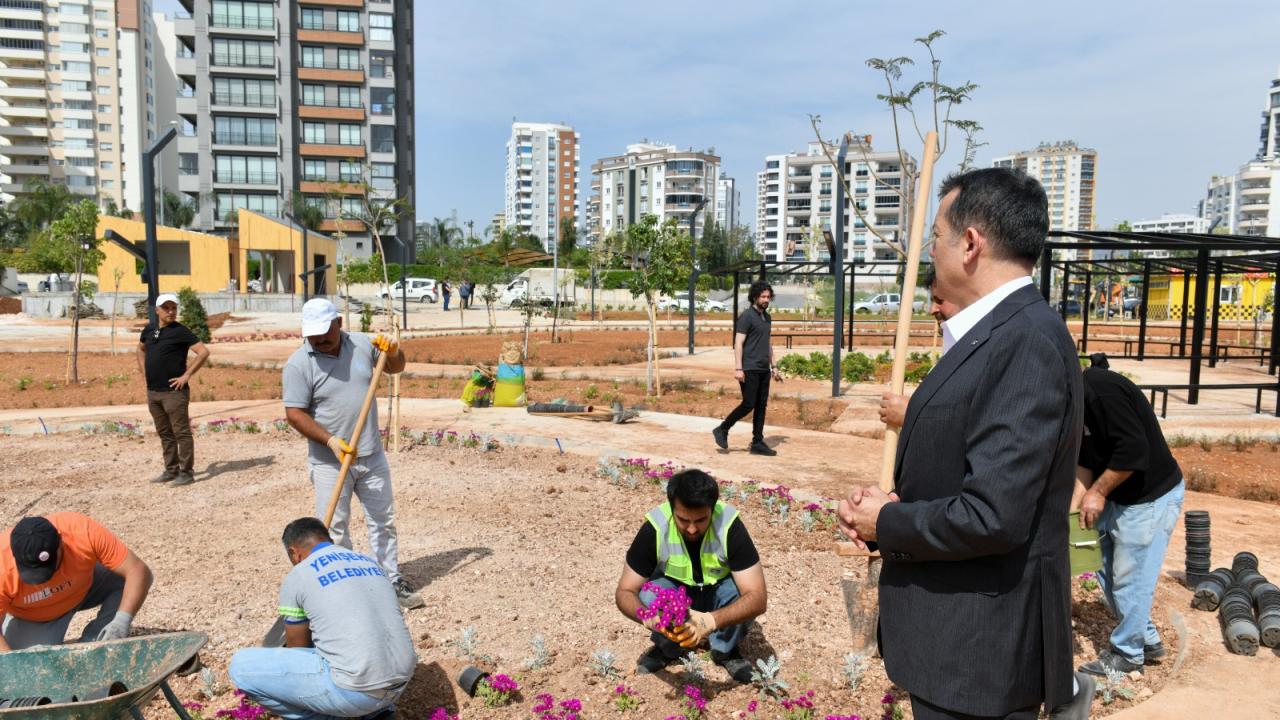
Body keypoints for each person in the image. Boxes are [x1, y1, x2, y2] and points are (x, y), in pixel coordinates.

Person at [837, 168, 1093, 720]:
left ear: (970, 244)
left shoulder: (1024, 342)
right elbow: (964, 474)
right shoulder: (994, 336)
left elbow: (993, 515)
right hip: (957, 648)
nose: (930, 253)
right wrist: (887, 516)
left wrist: (888, 524)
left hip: (978, 656)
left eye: (935, 237)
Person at [282, 298, 423, 609]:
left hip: (371, 455)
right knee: (334, 528)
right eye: (313, 335)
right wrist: (330, 440)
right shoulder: (299, 364)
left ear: (340, 324)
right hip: (329, 462)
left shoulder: (362, 344)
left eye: (325, 332)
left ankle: (390, 578)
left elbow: (395, 368)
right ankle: (348, 585)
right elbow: (294, 413)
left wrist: (394, 351)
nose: (319, 340)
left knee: (383, 520)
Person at [229, 518, 415, 720]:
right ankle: (376, 713)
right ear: (328, 539)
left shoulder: (299, 574)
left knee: (240, 666)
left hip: (356, 691)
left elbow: (297, 647)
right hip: (401, 683)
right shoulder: (370, 562)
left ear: (293, 552)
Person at [1072, 353, 1184, 677]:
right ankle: (1146, 638)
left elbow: (1134, 452)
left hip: (1151, 497)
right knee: (1102, 568)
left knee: (1130, 579)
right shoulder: (1074, 403)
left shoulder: (1101, 390)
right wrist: (1072, 514)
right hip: (1119, 498)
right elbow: (1085, 462)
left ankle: (1127, 654)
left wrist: (1098, 492)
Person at [614, 469, 766, 684]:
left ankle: (724, 650)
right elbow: (625, 591)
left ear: (712, 510)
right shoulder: (656, 527)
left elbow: (758, 597)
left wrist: (709, 621)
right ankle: (669, 647)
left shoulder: (729, 525)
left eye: (701, 520)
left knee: (741, 594)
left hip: (717, 595)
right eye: (683, 520)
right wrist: (649, 618)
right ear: (672, 508)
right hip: (678, 596)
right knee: (649, 594)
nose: (692, 529)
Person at [1, 513, 153, 651]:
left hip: (85, 588)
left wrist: (121, 622)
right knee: (29, 665)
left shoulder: (80, 531)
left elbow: (138, 571)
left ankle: (96, 644)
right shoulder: (2, 562)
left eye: (50, 566)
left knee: (124, 578)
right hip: (36, 616)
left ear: (61, 543)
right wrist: (14, 668)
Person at [137, 292, 210, 487]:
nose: (171, 312)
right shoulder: (149, 330)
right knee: (165, 433)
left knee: (181, 433)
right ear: (157, 310)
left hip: (174, 393)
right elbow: (140, 349)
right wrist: (144, 372)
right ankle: (171, 470)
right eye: (166, 308)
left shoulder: (180, 331)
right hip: (153, 392)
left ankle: (186, 473)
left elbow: (203, 352)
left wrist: (186, 376)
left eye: (174, 308)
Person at [879, 269, 961, 429]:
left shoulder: (987, 352)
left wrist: (913, 414)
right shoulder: (954, 345)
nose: (932, 309)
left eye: (939, 301)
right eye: (932, 301)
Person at [712, 280, 782, 456]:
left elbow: (768, 344)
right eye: (763, 296)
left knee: (761, 405)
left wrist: (774, 366)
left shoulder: (767, 317)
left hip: (763, 369)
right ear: (755, 297)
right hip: (749, 368)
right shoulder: (746, 316)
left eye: (768, 296)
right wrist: (738, 368)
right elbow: (738, 342)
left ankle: (757, 442)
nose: (766, 299)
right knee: (749, 403)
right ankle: (723, 428)